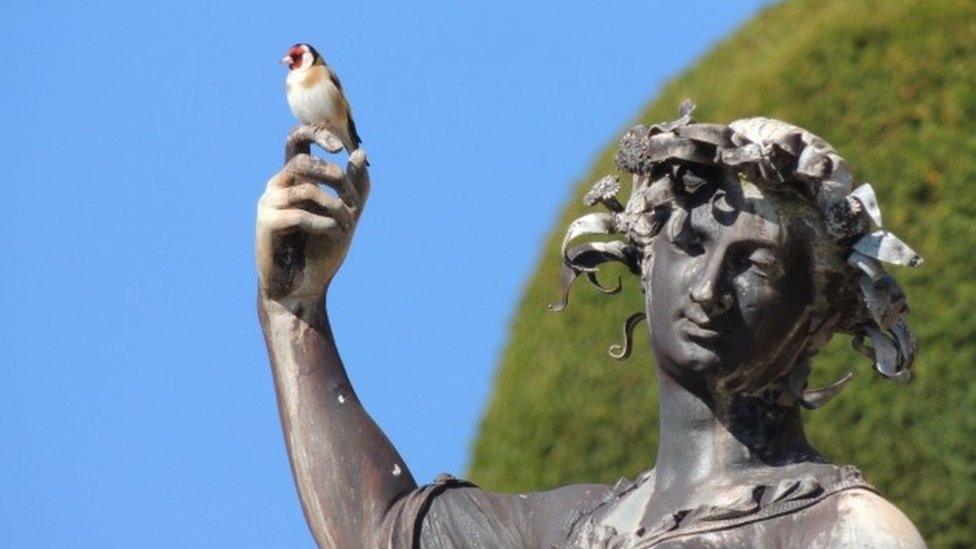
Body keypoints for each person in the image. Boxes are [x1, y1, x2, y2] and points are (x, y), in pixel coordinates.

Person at [255, 105, 926, 547]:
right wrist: (295, 313)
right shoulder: (574, 530)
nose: (711, 287)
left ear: (818, 313)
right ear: (647, 253)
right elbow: (380, 528)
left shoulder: (847, 530)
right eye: (692, 243)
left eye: (757, 267)